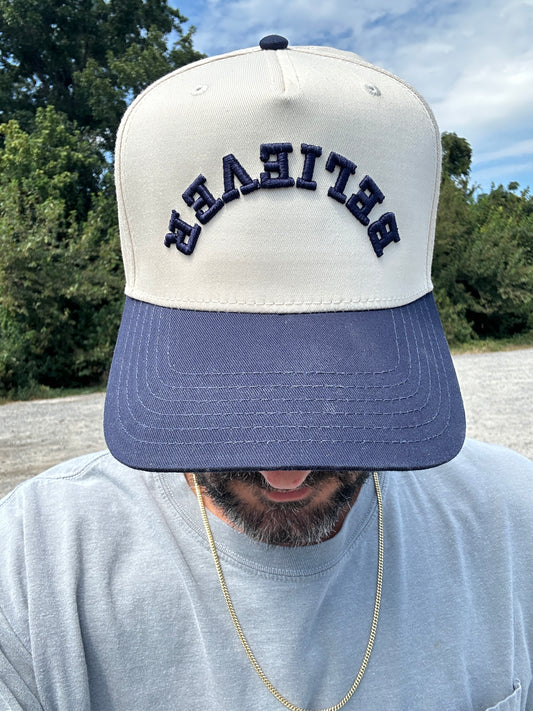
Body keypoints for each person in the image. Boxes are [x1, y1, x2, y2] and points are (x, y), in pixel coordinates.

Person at [0, 35, 532, 711]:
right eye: (225, 385)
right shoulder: (31, 571)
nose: (286, 469)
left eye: (346, 391)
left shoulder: (514, 522)